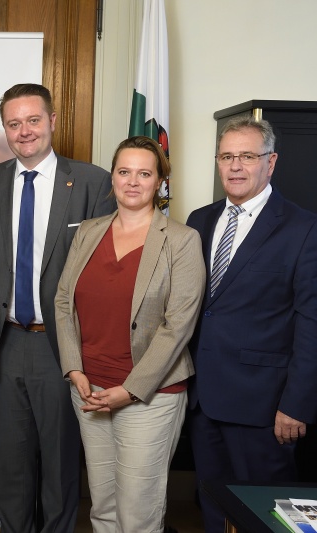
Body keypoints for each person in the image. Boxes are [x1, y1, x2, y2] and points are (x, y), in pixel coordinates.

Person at [0, 83, 114, 533]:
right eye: (14, 123)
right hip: (6, 341)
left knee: (58, 462)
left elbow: (104, 272)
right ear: (4, 130)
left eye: (33, 120)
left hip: (63, 347)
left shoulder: (91, 181)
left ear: (52, 121)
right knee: (10, 464)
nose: (24, 131)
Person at [54, 136, 205, 532]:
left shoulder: (182, 240)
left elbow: (179, 325)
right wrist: (73, 370)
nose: (132, 182)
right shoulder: (89, 230)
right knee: (102, 507)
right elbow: (64, 301)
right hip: (89, 390)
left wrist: (131, 389)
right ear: (113, 178)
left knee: (137, 514)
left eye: (144, 173)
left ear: (159, 182)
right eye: (124, 172)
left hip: (148, 397)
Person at [186, 116, 317, 533]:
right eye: (227, 156)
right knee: (212, 505)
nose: (235, 166)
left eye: (247, 156)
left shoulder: (303, 228)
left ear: (271, 162)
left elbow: (312, 323)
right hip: (202, 398)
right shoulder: (200, 221)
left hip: (265, 407)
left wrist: (296, 404)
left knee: (265, 514)